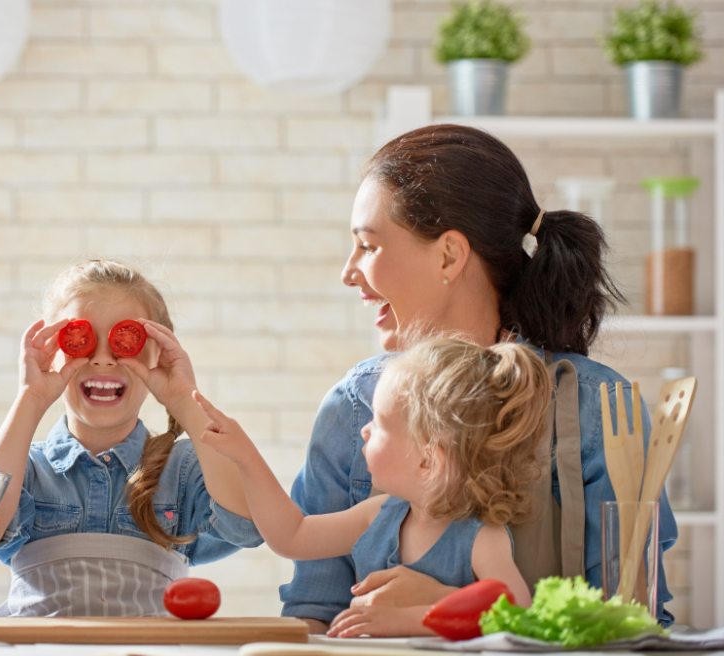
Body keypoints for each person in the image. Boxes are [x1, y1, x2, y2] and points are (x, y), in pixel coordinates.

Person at [281, 124, 678, 631]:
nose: (348, 272)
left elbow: (633, 625)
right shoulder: (353, 406)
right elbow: (314, 616)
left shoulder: (596, 408)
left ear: (449, 255)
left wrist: (452, 606)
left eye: (368, 246)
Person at [194, 339, 551, 637]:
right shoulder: (379, 514)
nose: (364, 430)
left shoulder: (481, 538)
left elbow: (518, 613)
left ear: (428, 461)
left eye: (378, 423)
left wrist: (408, 620)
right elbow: (291, 536)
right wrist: (246, 458)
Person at [0, 259, 261, 616]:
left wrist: (183, 398)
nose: (102, 359)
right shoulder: (28, 467)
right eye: (80, 340)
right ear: (53, 351)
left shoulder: (183, 468)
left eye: (126, 341)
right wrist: (29, 399)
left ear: (159, 354)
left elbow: (251, 524)